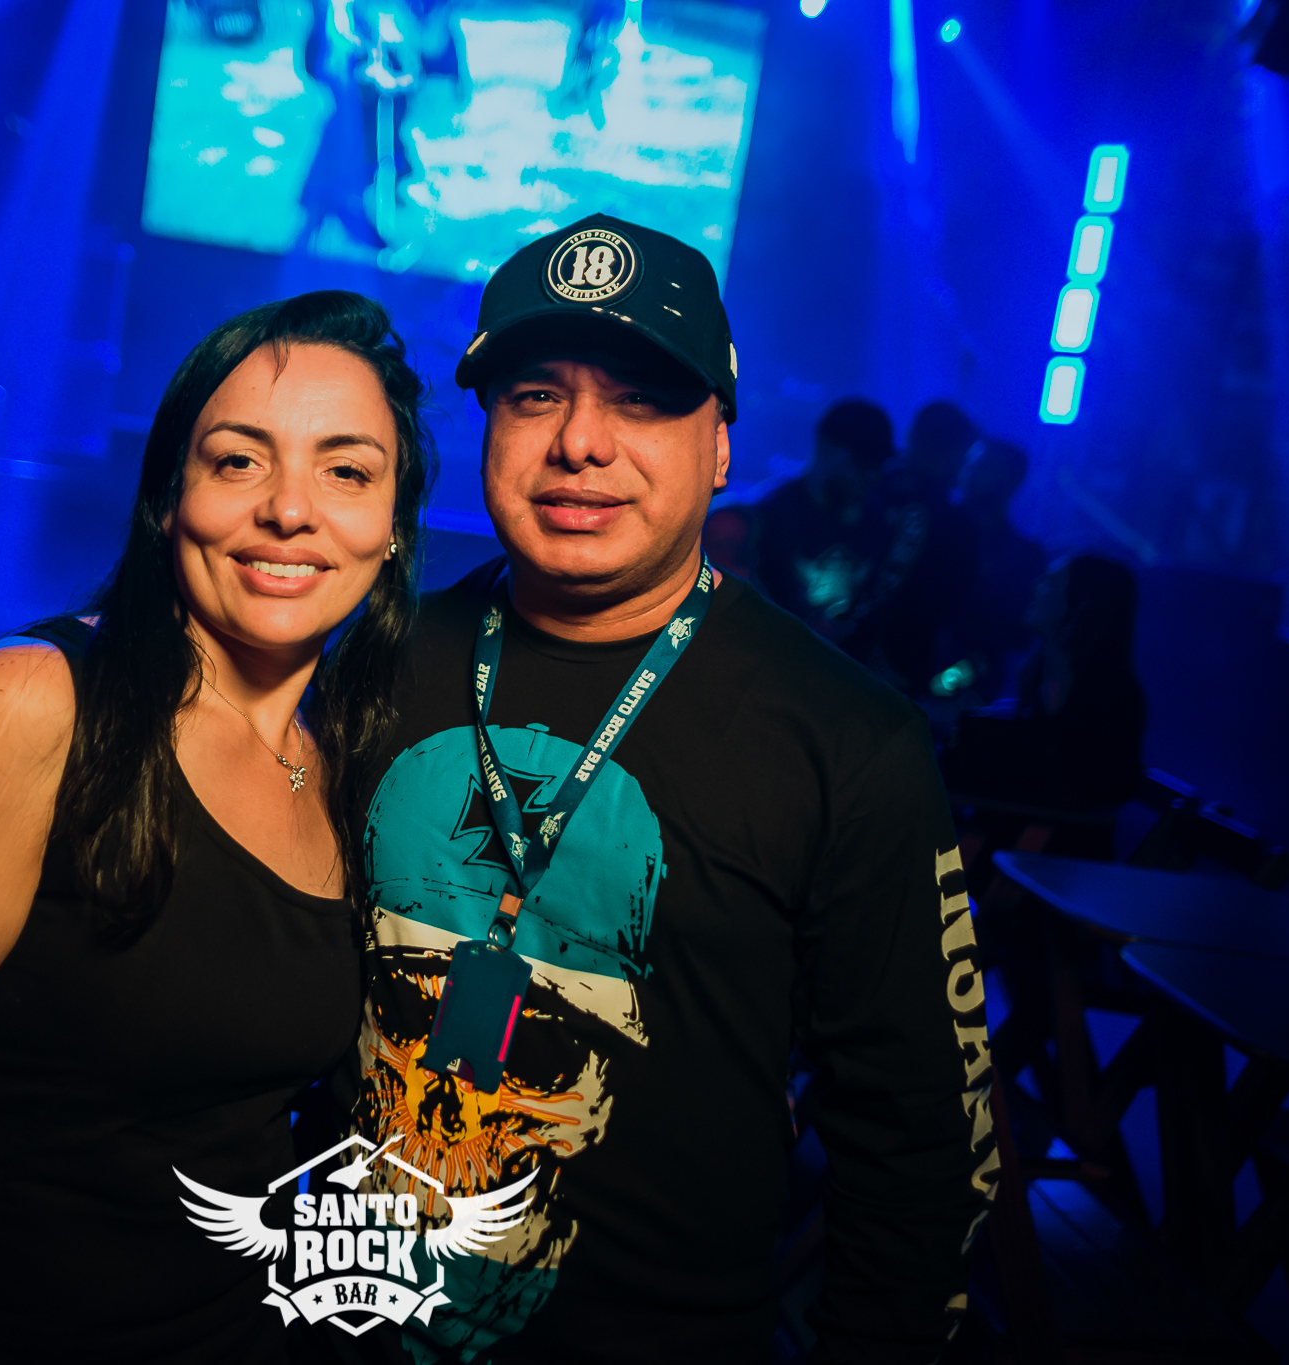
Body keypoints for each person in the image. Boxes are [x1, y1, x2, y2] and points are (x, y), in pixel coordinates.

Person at [342, 215, 995, 1361]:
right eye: (534, 396)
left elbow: (919, 1145)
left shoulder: (848, 743)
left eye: (639, 399)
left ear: (721, 449)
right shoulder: (374, 662)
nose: (578, 443)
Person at [0, 290, 434, 1363]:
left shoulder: (349, 763)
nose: (289, 510)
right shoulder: (31, 708)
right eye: (238, 461)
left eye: (346, 471)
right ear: (169, 496)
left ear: (393, 526)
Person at [941, 554, 1147, 854]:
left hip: (1048, 855)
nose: (1035, 585)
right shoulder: (1047, 673)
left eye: (1051, 582)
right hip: (1014, 839)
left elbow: (1098, 791)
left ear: (1082, 603)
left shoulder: (1112, 693)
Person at [852, 401, 983, 694]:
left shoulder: (863, 488)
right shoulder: (956, 526)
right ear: (958, 452)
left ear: (911, 434)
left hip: (830, 639)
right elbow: (955, 604)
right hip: (900, 666)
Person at [753, 398, 894, 642]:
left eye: (878, 464)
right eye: (861, 462)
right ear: (825, 447)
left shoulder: (877, 521)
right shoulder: (771, 514)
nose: (872, 476)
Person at [949, 438, 1046, 699]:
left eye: (984, 466)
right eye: (969, 463)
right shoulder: (930, 523)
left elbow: (1022, 635)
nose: (970, 471)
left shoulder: (1025, 556)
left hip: (965, 690)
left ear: (1012, 481)